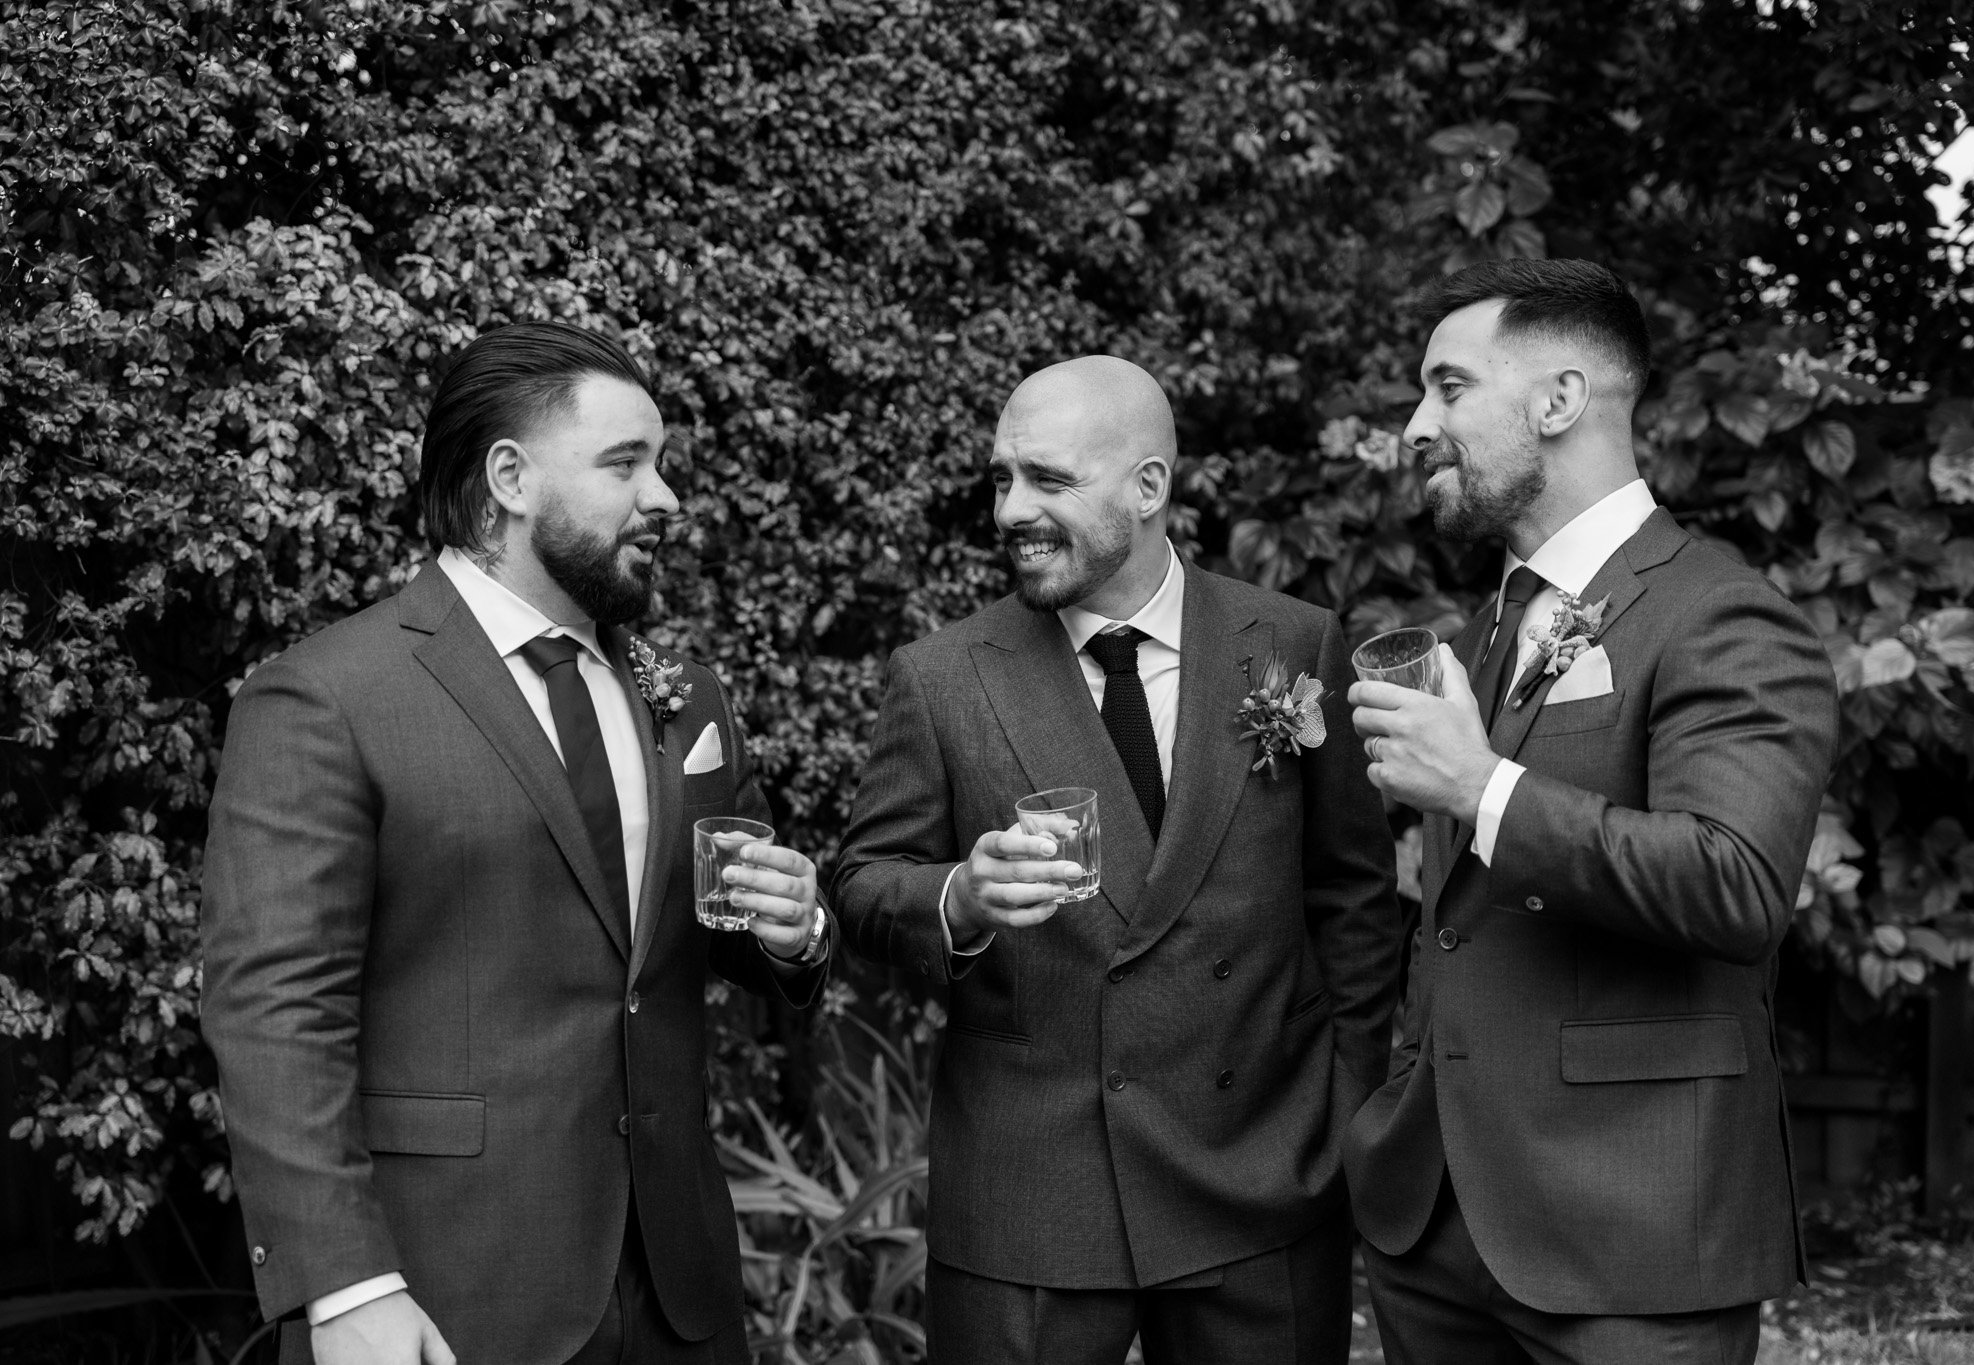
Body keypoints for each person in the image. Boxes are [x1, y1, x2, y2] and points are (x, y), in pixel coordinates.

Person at [201, 321, 833, 1365]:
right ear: (509, 478)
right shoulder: (326, 698)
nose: (665, 496)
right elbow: (274, 1011)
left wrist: (793, 927)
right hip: (446, 1295)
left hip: (681, 1294)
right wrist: (345, 1285)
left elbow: (714, 932)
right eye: (626, 463)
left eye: (660, 464)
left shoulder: (683, 694)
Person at [832, 355, 1403, 1365]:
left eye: (1045, 480)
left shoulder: (1294, 640)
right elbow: (865, 887)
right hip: (1031, 1191)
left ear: (1147, 488)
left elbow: (1351, 896)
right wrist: (961, 894)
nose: (1010, 508)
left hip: (1262, 1174)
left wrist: (1339, 1107)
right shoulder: (939, 677)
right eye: (1001, 479)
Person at [1344, 260, 1838, 1364]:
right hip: (1434, 1221)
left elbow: (1733, 885)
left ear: (1559, 401)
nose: (1416, 425)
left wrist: (1478, 787)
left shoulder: (1725, 617)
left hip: (1630, 1236)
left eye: (1448, 388)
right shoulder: (1487, 625)